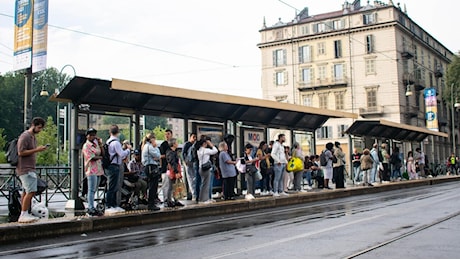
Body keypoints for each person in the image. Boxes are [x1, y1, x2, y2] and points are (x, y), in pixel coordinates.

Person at [16, 117, 48, 223]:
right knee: (31, 191)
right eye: (39, 128)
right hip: (25, 168)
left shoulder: (32, 137)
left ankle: (25, 212)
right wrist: (37, 150)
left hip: (30, 168)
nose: (40, 130)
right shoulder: (25, 136)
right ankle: (23, 214)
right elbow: (21, 152)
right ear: (33, 125)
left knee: (26, 191)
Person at [105, 125, 131, 215]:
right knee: (113, 186)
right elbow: (122, 154)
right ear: (118, 132)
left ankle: (113, 205)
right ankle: (109, 205)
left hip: (109, 166)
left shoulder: (108, 141)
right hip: (114, 166)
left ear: (110, 132)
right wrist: (128, 150)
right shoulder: (116, 143)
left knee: (112, 185)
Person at [81, 128, 104, 217]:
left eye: (94, 135)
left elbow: (102, 154)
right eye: (90, 135)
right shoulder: (86, 146)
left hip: (98, 169)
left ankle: (93, 207)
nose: (92, 136)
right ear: (87, 136)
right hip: (91, 170)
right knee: (91, 189)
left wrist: (100, 144)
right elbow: (91, 157)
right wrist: (99, 157)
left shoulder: (96, 144)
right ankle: (90, 207)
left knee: (95, 189)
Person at [141, 133, 161, 211]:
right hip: (151, 167)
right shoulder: (150, 147)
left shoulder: (145, 146)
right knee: (153, 186)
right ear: (152, 139)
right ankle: (151, 204)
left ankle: (151, 203)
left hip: (147, 167)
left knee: (151, 185)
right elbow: (158, 155)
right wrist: (156, 147)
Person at [197, 137, 218, 204]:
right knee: (206, 185)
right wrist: (211, 145)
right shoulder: (206, 150)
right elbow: (215, 150)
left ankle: (201, 198)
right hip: (206, 169)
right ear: (204, 143)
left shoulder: (199, 150)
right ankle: (205, 199)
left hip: (201, 168)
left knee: (203, 184)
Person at [165, 138, 185, 207]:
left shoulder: (173, 152)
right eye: (176, 143)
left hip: (174, 170)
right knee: (171, 186)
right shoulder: (171, 153)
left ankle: (175, 199)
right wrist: (176, 171)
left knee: (175, 186)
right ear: (173, 144)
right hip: (172, 171)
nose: (177, 144)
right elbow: (172, 162)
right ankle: (169, 201)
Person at [182, 133, 197, 200]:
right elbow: (183, 153)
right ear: (190, 137)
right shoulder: (187, 144)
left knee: (194, 178)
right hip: (189, 163)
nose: (194, 139)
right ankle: (194, 194)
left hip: (193, 162)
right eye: (193, 137)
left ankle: (195, 193)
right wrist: (185, 161)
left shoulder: (195, 144)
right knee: (191, 178)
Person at [160, 129, 173, 203]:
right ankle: (165, 199)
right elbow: (161, 156)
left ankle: (170, 198)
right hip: (165, 167)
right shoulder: (163, 145)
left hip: (172, 168)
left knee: (171, 185)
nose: (167, 136)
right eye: (166, 134)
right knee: (166, 184)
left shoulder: (173, 144)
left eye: (168, 134)